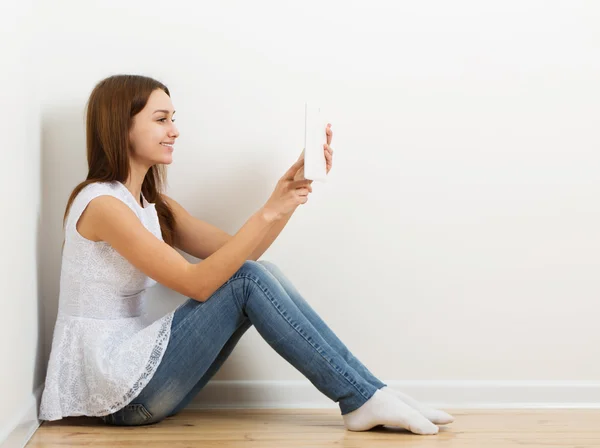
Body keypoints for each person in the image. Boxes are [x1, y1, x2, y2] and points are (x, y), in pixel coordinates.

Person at [39, 74, 454, 435]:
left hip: (139, 379)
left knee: (255, 271)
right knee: (248, 278)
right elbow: (198, 283)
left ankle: (370, 392)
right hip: (117, 392)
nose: (175, 130)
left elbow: (234, 253)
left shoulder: (153, 204)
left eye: (174, 119)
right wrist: (270, 209)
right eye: (161, 119)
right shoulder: (101, 204)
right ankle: (362, 397)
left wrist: (285, 196)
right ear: (120, 126)